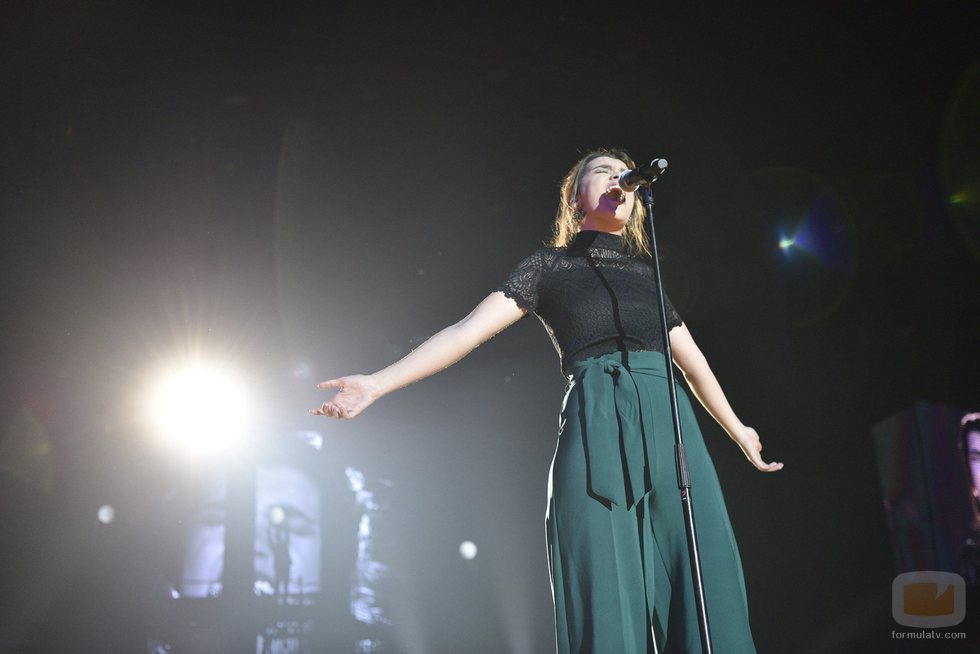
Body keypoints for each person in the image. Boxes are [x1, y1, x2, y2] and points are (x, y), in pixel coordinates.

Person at [311, 148, 784, 653]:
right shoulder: (548, 267)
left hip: (670, 426)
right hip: (596, 418)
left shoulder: (648, 278)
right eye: (599, 172)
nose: (613, 179)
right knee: (603, 579)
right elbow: (465, 332)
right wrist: (377, 383)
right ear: (575, 198)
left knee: (700, 569)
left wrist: (739, 429)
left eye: (618, 172)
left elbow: (694, 364)